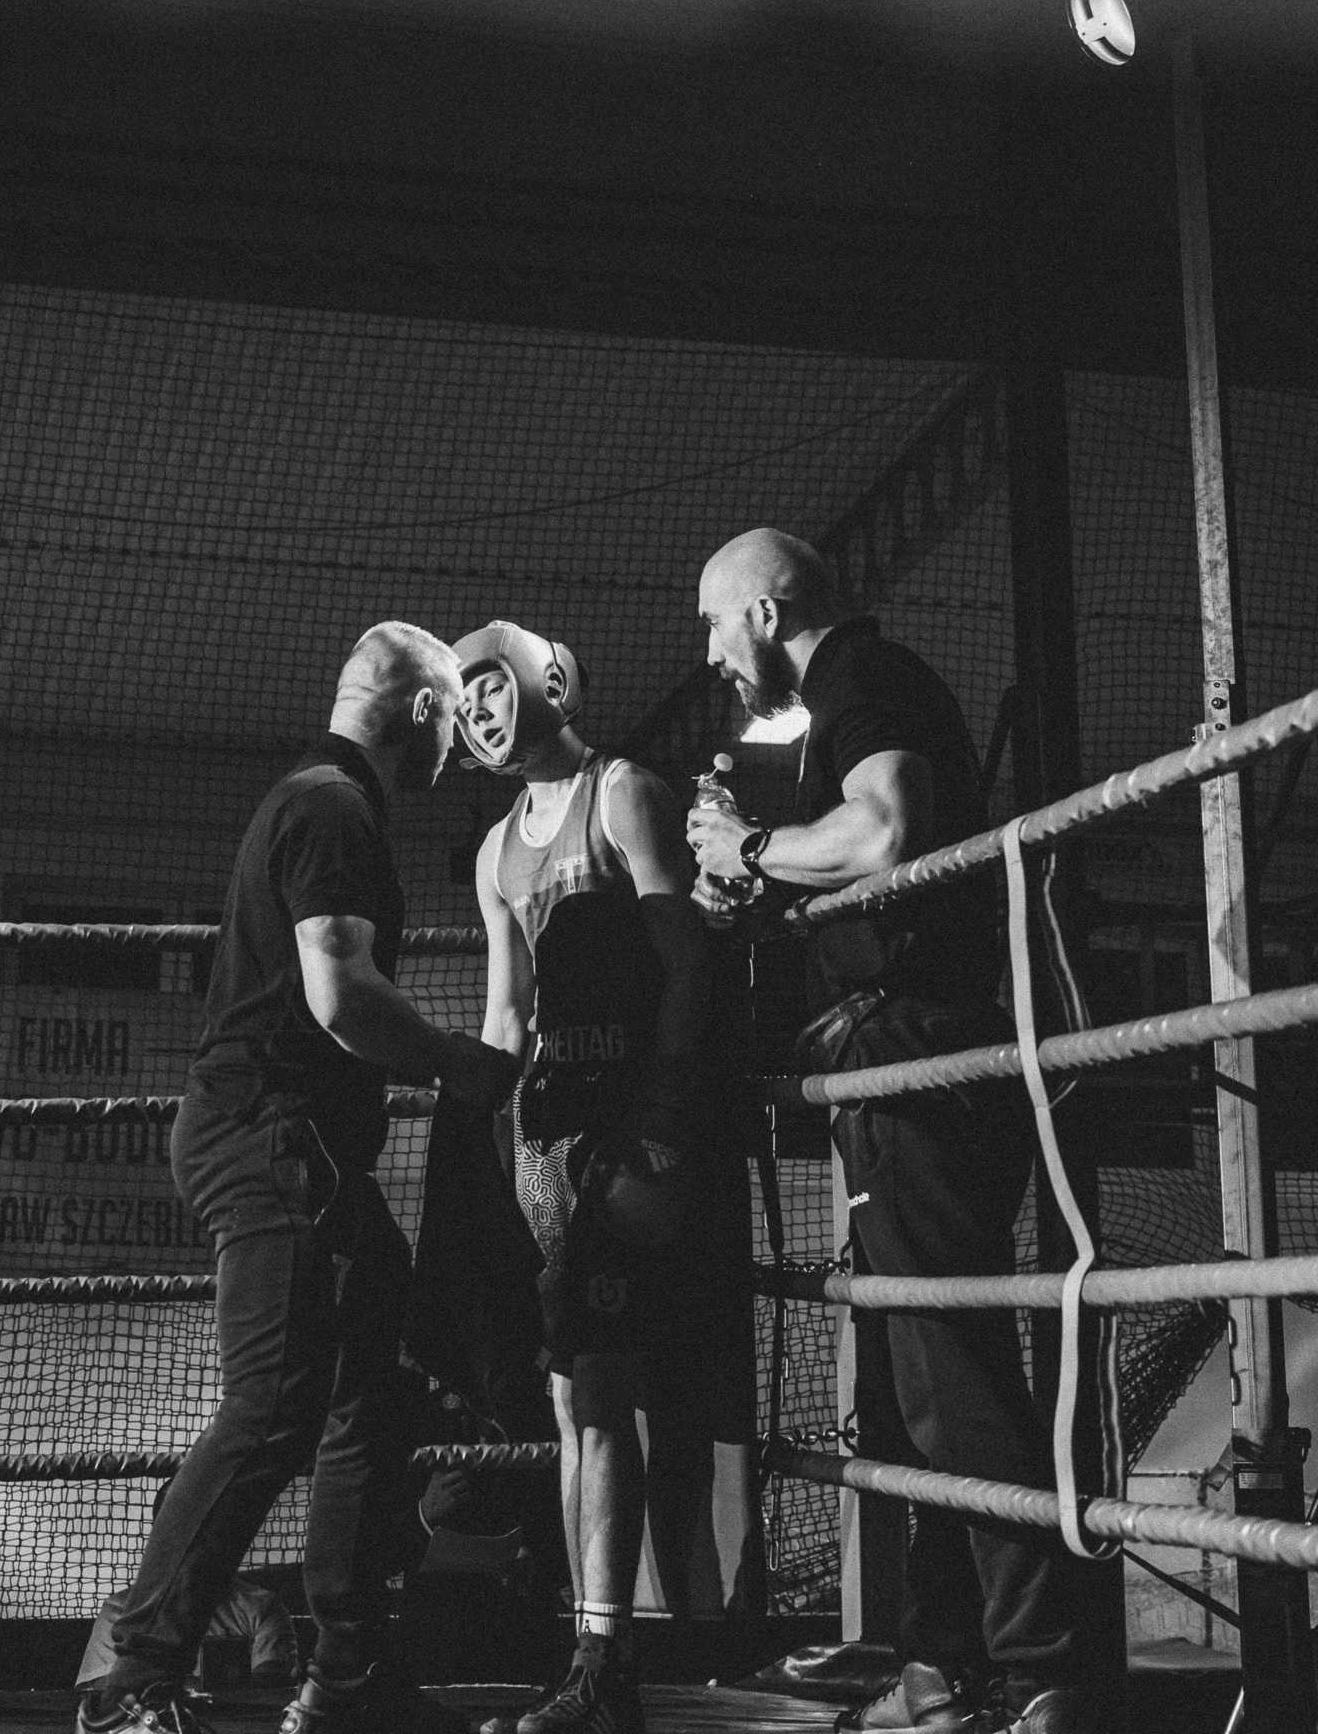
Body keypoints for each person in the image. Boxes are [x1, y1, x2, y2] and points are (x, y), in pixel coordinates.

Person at [686, 530, 1103, 1734]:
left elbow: (886, 833)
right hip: (902, 1058)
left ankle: (1040, 1669)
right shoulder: (844, 700)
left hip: (918, 1057)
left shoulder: (862, 679)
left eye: (715, 623)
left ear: (767, 613)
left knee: (947, 1372)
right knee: (917, 1382)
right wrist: (757, 872)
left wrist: (749, 847)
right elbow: (858, 855)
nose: (710, 655)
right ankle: (949, 1661)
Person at [77, 622, 520, 1734]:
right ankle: (131, 1679)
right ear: (425, 711)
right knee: (274, 1403)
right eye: (453, 721)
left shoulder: (320, 800)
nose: (459, 746)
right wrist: (459, 1062)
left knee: (373, 1387)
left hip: (295, 1141)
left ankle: (350, 1674)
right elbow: (340, 995)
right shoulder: (333, 809)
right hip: (272, 1135)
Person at [457, 619, 757, 1734]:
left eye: (490, 686)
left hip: (635, 1136)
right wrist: (469, 1133)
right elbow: (506, 1015)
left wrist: (663, 1120)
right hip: (547, 1145)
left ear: (547, 680)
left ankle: (607, 1662)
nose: (477, 712)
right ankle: (593, 1655)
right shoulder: (496, 851)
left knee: (615, 1395)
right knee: (569, 1399)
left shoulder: (622, 792)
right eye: (464, 701)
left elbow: (686, 961)